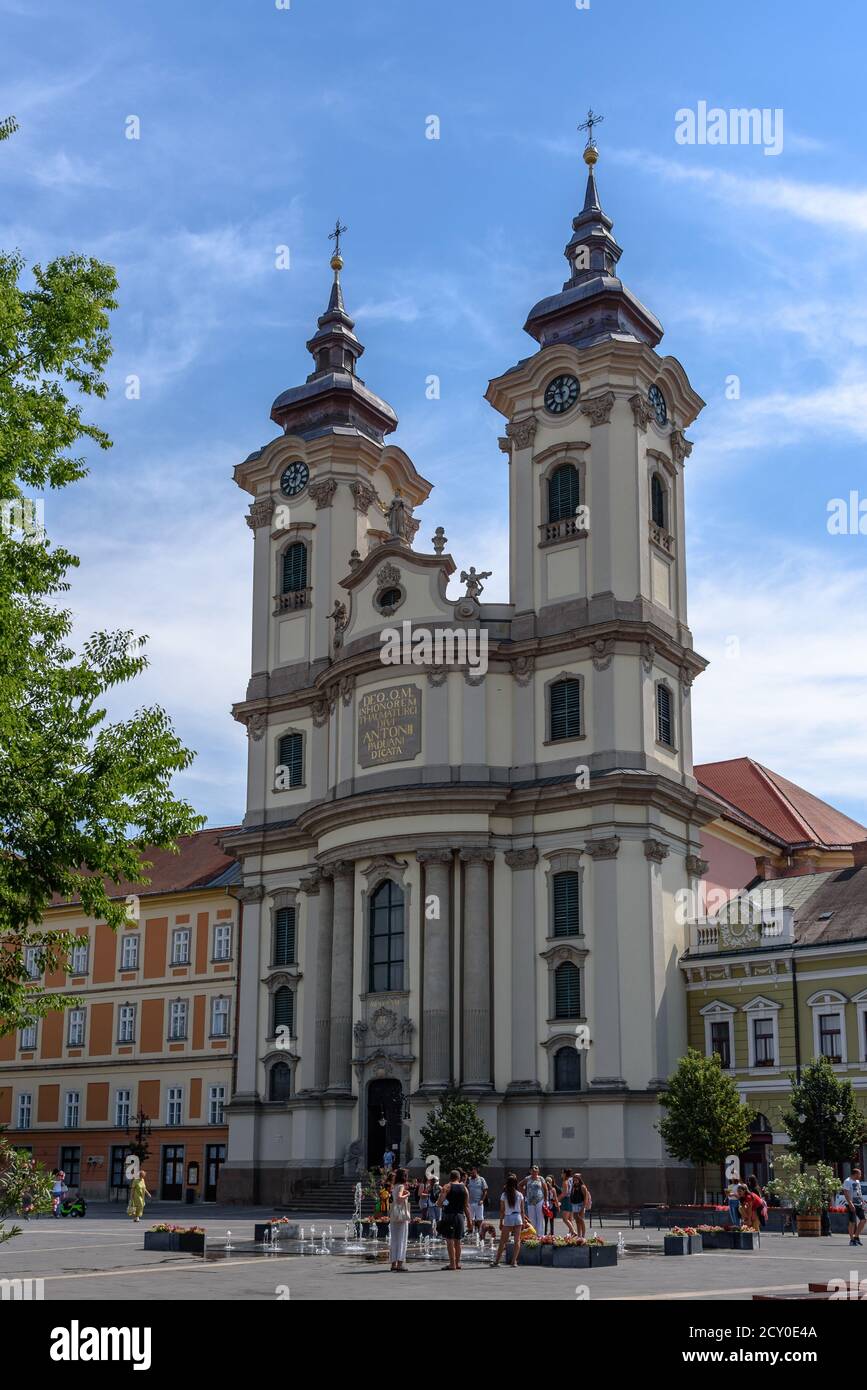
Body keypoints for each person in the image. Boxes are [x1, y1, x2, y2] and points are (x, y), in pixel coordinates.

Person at [436, 1170, 471, 1271]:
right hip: (460, 1216)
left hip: (449, 1216)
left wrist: (443, 1203)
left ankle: (452, 1264)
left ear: (450, 1177)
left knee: (450, 1240)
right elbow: (466, 1206)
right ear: (459, 1178)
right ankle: (457, 1263)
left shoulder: (447, 1187)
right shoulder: (464, 1188)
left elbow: (439, 1203)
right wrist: (469, 1221)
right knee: (458, 1241)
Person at [493, 1174, 525, 1267]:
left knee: (503, 1241)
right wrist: (523, 1221)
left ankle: (497, 1261)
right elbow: (523, 1210)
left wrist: (500, 1222)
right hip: (518, 1217)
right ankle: (514, 1262)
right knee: (517, 1240)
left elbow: (502, 1210)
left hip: (508, 1218)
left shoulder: (504, 1195)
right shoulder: (520, 1195)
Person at [388, 1167, 411, 1272]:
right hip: (401, 1216)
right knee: (402, 1239)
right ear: (404, 1176)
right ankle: (400, 1264)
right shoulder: (401, 1186)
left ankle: (393, 1263)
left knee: (394, 1239)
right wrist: (407, 1194)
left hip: (394, 1214)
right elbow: (398, 1198)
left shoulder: (395, 1186)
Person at [843, 1167, 866, 1246]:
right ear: (855, 1174)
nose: (860, 1175)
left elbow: (859, 1192)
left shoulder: (857, 1181)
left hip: (859, 1204)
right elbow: (846, 1193)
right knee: (852, 1222)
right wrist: (850, 1203)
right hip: (851, 1204)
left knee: (863, 1220)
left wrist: (862, 1200)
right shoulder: (847, 1181)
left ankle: (856, 1237)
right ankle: (852, 1240)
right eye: (859, 1174)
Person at [521, 1165, 546, 1239]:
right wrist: (524, 1194)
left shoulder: (541, 1178)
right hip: (530, 1201)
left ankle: (540, 1236)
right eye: (533, 1170)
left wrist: (546, 1200)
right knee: (532, 1218)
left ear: (538, 1171)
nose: (534, 1172)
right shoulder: (527, 1179)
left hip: (539, 1200)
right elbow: (520, 1185)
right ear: (530, 1171)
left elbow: (545, 1189)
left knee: (540, 1218)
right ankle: (533, 1235)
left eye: (536, 1170)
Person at [467, 1166, 488, 1232]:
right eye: (471, 1173)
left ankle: (479, 1230)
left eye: (473, 1172)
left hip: (479, 1202)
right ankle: (471, 1230)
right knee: (470, 1218)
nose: (472, 1174)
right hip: (470, 1202)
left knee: (480, 1218)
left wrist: (482, 1200)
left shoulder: (481, 1179)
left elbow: (485, 1190)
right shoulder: (468, 1179)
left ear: (476, 1171)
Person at [559, 1169, 577, 1237]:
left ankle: (573, 1232)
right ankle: (571, 1234)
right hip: (572, 1199)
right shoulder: (572, 1180)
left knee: (565, 1218)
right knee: (570, 1219)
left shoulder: (565, 1181)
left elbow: (565, 1193)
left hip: (567, 1200)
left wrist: (557, 1199)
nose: (561, 1174)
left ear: (565, 1174)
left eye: (562, 1173)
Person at [571, 1172, 589, 1238]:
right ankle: (579, 1236)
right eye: (574, 1179)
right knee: (577, 1221)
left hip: (581, 1205)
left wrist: (582, 1208)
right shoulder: (574, 1187)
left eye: (576, 1179)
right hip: (574, 1205)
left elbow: (585, 1198)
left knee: (581, 1220)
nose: (575, 1181)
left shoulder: (583, 1187)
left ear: (579, 1179)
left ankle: (583, 1236)